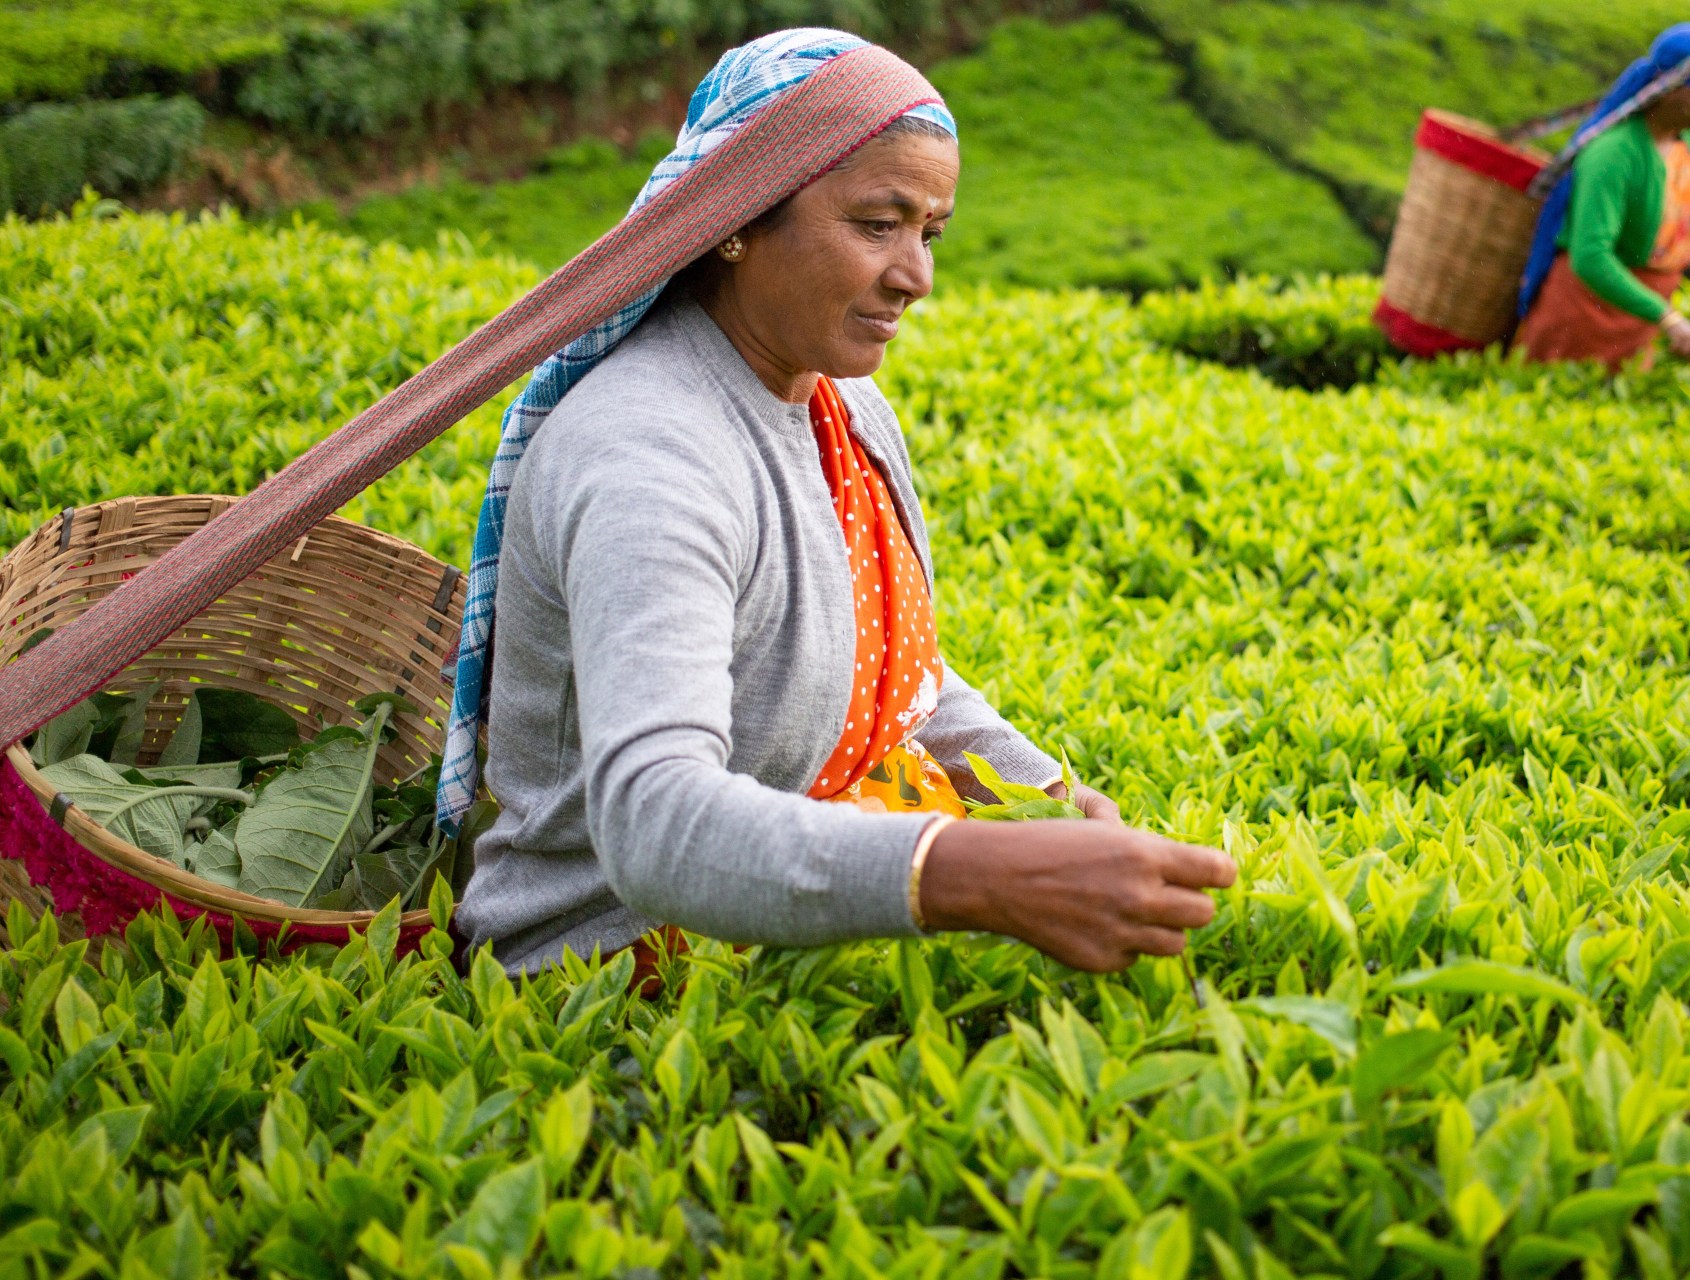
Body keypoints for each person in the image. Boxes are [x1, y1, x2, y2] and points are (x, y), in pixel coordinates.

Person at [433, 29, 1237, 978]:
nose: (917, 277)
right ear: (736, 218)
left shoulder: (840, 401)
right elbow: (654, 822)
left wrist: (1042, 795)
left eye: (930, 233)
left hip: (806, 889)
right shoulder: (647, 457)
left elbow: (900, 682)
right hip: (619, 963)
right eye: (877, 225)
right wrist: (974, 872)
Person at [1516, 23, 1690, 370]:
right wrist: (1667, 317)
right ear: (1666, 88)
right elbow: (1590, 256)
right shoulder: (1613, 154)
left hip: (1643, 321)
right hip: (1583, 316)